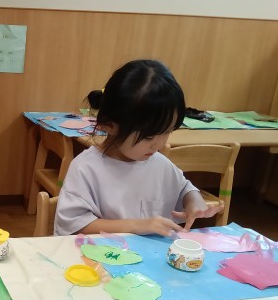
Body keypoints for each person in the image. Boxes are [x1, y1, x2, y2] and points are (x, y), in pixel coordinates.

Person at [55, 59, 222, 237]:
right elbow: (75, 226)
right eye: (149, 136)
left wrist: (193, 201)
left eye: (167, 131)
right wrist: (136, 225)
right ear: (110, 125)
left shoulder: (160, 164)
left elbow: (183, 188)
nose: (160, 144)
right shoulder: (85, 169)